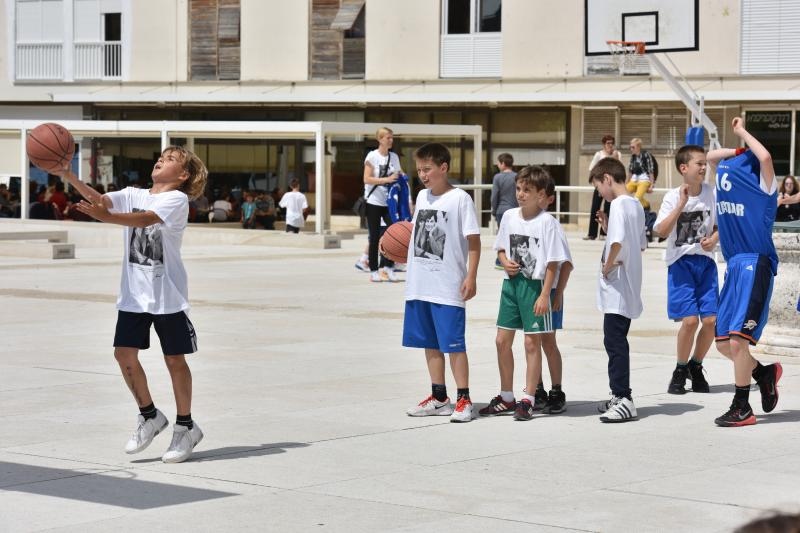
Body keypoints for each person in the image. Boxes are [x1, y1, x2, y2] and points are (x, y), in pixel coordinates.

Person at [57, 145, 208, 463]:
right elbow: (101, 201)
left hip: (167, 295)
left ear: (182, 175)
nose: (160, 160)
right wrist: (68, 174)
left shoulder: (176, 200)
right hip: (133, 296)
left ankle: (185, 427)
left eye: (169, 160)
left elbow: (145, 220)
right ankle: (150, 415)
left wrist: (107, 217)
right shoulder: (133, 192)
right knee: (123, 355)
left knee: (174, 361)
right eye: (161, 156)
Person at [479, 166, 572, 420]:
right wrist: (504, 260)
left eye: (527, 190)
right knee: (501, 341)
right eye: (518, 189)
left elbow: (555, 263)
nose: (520, 194)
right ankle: (506, 396)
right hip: (511, 285)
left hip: (535, 287)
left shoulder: (548, 223)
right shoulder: (509, 216)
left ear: (541, 195)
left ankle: (530, 398)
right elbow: (500, 249)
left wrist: (547, 294)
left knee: (535, 343)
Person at [706, 117, 782, 427]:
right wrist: (738, 148)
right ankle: (763, 373)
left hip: (755, 262)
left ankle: (742, 406)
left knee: (738, 342)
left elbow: (764, 157)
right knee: (724, 343)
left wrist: (741, 131)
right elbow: (710, 157)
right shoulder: (729, 176)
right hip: (734, 265)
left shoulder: (764, 187)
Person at [404, 143, 481, 423]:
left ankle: (464, 399)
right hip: (420, 282)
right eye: (420, 170)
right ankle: (439, 398)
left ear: (443, 168)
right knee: (430, 342)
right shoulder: (422, 196)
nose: (423, 175)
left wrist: (471, 276)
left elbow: (474, 241)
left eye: (428, 169)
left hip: (448, 284)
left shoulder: (460, 199)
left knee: (453, 344)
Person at [653, 145, 719, 395]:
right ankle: (680, 369)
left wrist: (714, 238)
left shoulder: (711, 193)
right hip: (681, 264)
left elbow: (719, 226)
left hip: (706, 264)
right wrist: (681, 203)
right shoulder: (672, 196)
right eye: (699, 163)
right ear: (684, 168)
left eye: (704, 163)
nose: (703, 167)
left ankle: (696, 365)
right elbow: (660, 231)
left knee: (711, 321)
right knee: (690, 322)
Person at [589, 157, 647, 422]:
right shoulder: (635, 205)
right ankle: (619, 395)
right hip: (628, 284)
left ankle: (624, 397)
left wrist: (607, 265)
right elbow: (638, 244)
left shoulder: (620, 205)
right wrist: (606, 226)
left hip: (618, 287)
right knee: (615, 339)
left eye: (599, 186)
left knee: (614, 342)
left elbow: (616, 243)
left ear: (607, 179)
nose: (600, 193)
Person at [363, 127, 402, 282]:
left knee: (393, 234)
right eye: (388, 138)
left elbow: (398, 174)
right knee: (374, 237)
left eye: (392, 138)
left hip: (389, 202)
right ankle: (373, 270)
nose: (391, 140)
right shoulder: (372, 156)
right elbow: (366, 179)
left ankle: (388, 267)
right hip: (373, 202)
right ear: (380, 139)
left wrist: (401, 177)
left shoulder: (394, 157)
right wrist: (386, 180)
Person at [585, 135, 621, 240]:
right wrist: (596, 183)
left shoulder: (617, 154)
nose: (610, 145)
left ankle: (604, 233)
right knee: (595, 207)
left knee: (608, 208)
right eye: (607, 143)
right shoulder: (599, 154)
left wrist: (614, 158)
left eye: (611, 143)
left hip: (611, 185)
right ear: (604, 144)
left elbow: (619, 168)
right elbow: (591, 168)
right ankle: (592, 233)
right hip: (600, 184)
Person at [627, 138, 656, 210]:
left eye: (633, 147)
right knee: (623, 193)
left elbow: (651, 170)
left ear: (639, 147)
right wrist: (626, 183)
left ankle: (646, 205)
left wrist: (652, 185)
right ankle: (645, 203)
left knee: (636, 199)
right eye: (630, 147)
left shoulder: (646, 155)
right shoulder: (633, 156)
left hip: (644, 180)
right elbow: (630, 171)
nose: (631, 149)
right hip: (634, 180)